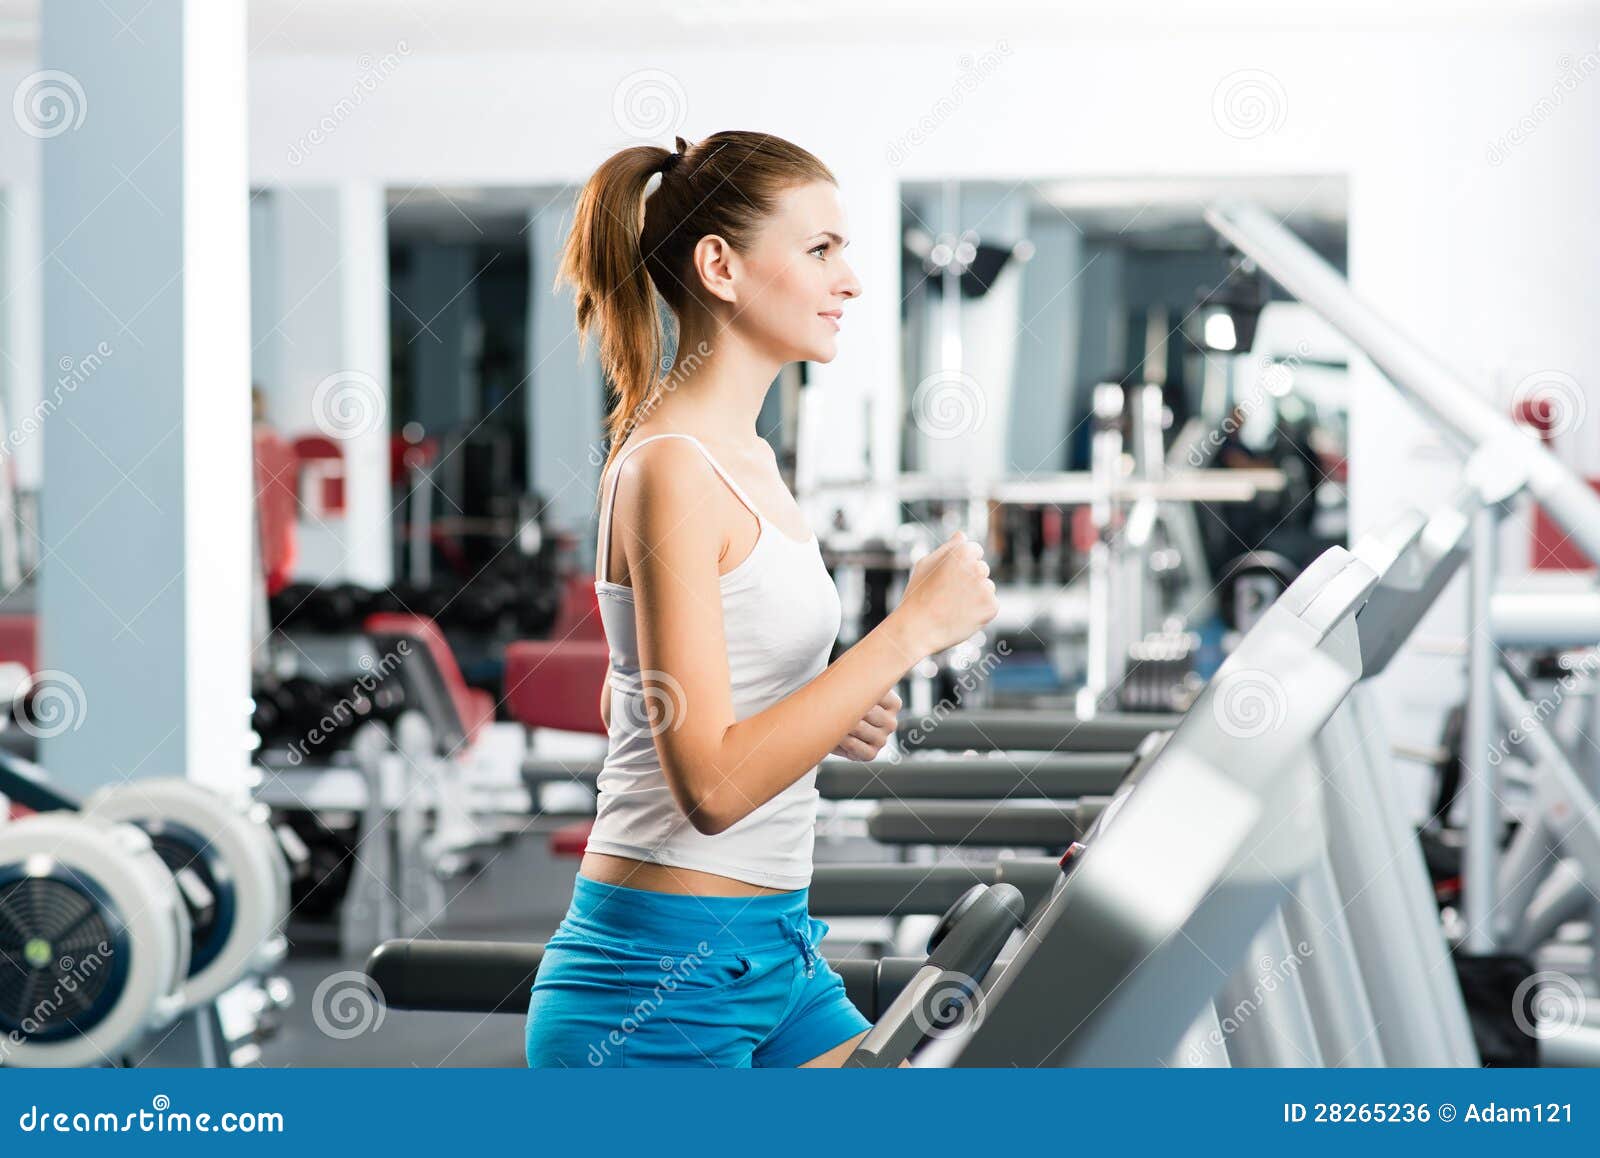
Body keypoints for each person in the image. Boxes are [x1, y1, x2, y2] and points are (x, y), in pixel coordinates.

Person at [524, 131, 997, 1068]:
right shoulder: (671, 468)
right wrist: (906, 633)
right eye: (821, 249)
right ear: (720, 267)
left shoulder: (749, 463)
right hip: (654, 985)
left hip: (776, 952)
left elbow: (635, 698)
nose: (852, 280)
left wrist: (830, 710)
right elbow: (709, 787)